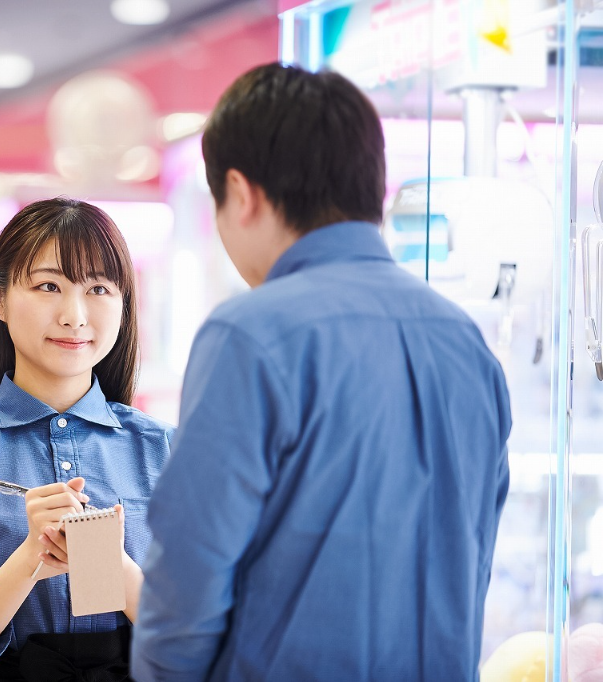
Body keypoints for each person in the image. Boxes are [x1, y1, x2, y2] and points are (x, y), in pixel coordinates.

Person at [130, 63, 512, 681]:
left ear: (242, 192)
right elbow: (475, 557)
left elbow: (188, 582)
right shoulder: (466, 341)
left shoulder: (250, 334)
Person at [0, 197, 173, 682]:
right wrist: (29, 559)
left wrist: (110, 566)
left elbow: (206, 645)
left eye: (99, 289)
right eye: (48, 286)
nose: (74, 315)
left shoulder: (166, 450)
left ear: (126, 304)